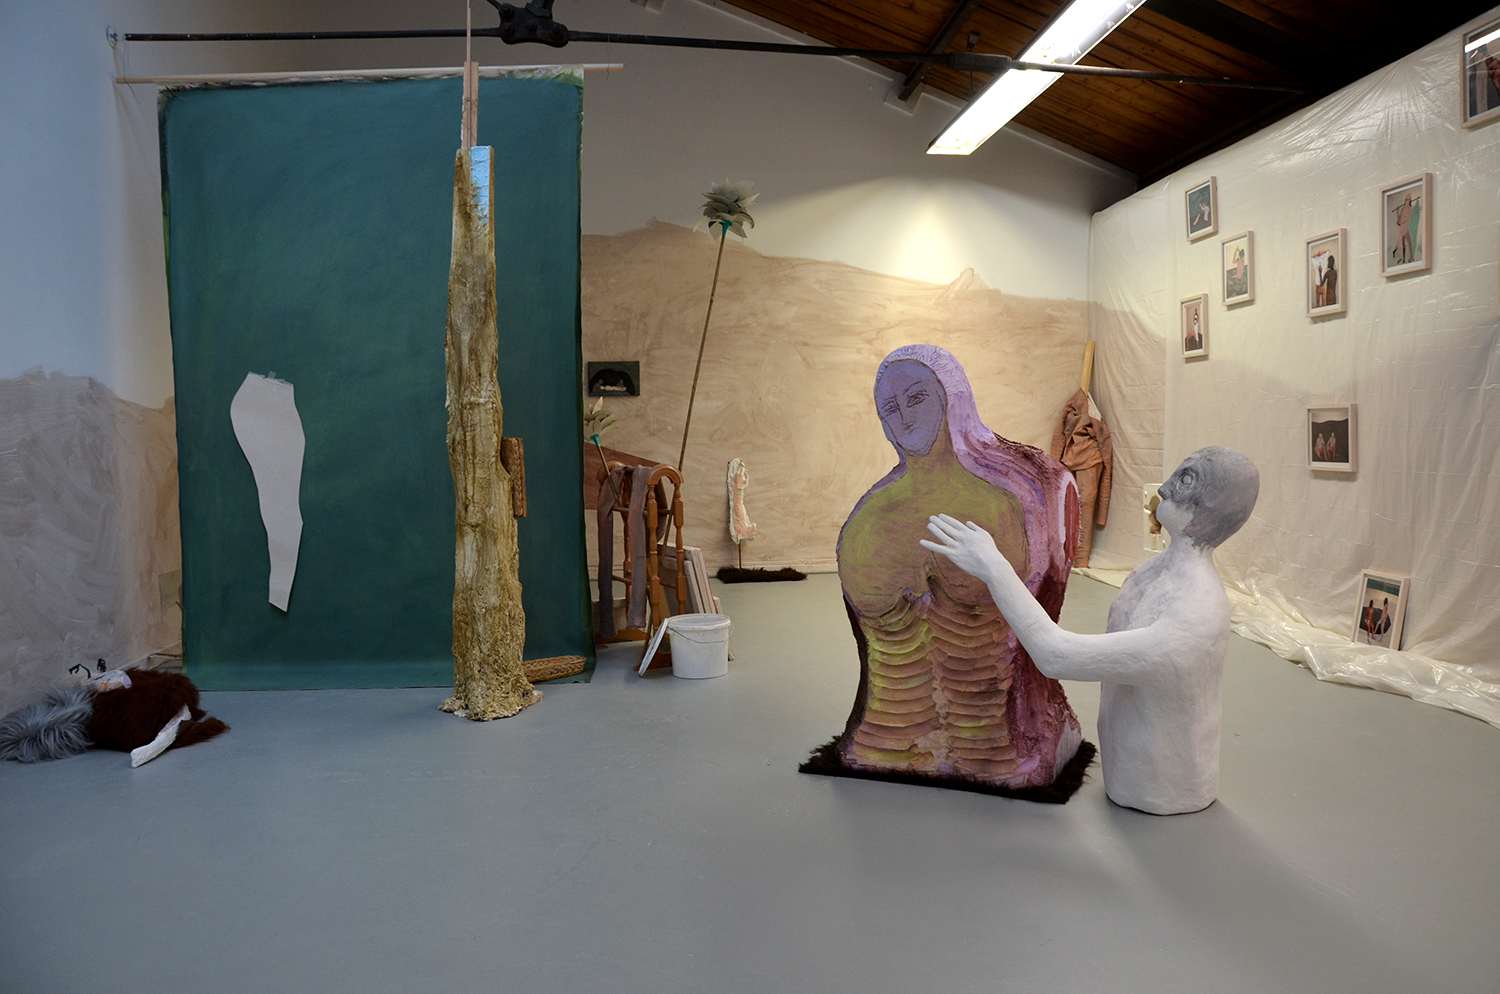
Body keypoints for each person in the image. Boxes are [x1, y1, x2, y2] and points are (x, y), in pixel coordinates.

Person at [922, 446, 1260, 814]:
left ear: (1212, 505)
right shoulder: (1150, 574)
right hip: (1129, 773)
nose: (1164, 488)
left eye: (1186, 478)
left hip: (1166, 785)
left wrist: (993, 568)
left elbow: (1056, 655)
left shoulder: (1196, 613)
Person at [835, 344, 1082, 790]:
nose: (904, 418)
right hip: (880, 743)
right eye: (889, 408)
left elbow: (1044, 624)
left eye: (916, 398)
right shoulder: (867, 520)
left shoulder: (1036, 491)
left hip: (1000, 754)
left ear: (952, 396)